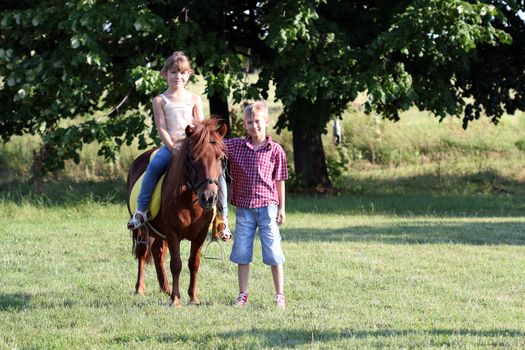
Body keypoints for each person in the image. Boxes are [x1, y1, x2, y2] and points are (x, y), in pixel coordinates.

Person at [127, 51, 231, 239]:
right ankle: (141, 211)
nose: (178, 76)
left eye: (182, 73)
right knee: (154, 166)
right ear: (165, 74)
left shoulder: (194, 98)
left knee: (218, 175)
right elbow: (162, 128)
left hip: (193, 147)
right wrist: (173, 148)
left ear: (188, 75)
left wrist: (201, 144)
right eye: (174, 72)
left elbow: (201, 126)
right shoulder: (160, 100)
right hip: (171, 146)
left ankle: (222, 220)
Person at [223, 101, 288, 309]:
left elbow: (279, 180)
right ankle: (242, 294)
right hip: (244, 208)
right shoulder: (235, 146)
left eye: (258, 122)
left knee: (273, 251)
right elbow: (214, 144)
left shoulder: (275, 150)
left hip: (268, 206)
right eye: (250, 122)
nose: (254, 126)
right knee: (242, 251)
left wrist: (281, 208)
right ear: (245, 125)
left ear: (267, 122)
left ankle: (279, 294)